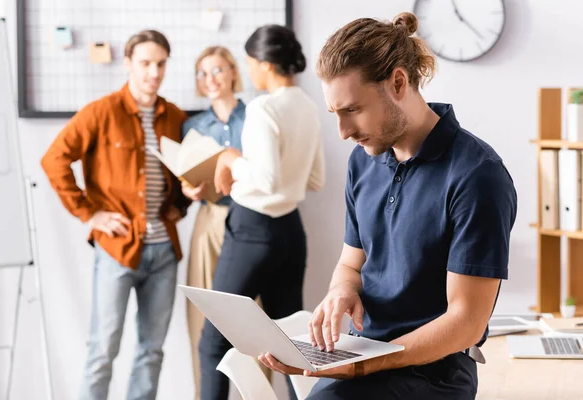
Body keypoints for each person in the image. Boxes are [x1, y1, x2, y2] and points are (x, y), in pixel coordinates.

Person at [258, 12, 518, 400]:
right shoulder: (363, 160)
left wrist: (361, 366)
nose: (343, 132)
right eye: (336, 114)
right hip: (366, 358)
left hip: (435, 376)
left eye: (352, 110)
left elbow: (465, 322)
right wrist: (341, 291)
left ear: (398, 82)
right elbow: (351, 263)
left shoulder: (477, 175)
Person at [41, 30, 190, 400]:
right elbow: (54, 159)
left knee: (151, 351)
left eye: (160, 64)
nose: (153, 72)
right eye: (145, 64)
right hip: (117, 249)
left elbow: (187, 172)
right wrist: (89, 214)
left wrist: (181, 205)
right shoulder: (101, 112)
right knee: (103, 349)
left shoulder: (174, 116)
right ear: (127, 64)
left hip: (164, 252)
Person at [198, 24, 326, 400]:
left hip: (251, 231)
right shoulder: (307, 105)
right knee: (289, 345)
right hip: (290, 232)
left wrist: (230, 158)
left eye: (249, 63)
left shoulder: (263, 107)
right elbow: (316, 179)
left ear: (264, 64)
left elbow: (266, 180)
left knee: (212, 343)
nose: (248, 71)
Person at [180, 46, 246, 400]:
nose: (210, 80)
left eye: (217, 70)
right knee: (203, 319)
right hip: (209, 220)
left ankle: (254, 391)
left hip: (249, 219)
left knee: (252, 317)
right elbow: (186, 177)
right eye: (202, 73)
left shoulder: (254, 117)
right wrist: (190, 187)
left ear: (233, 72)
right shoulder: (193, 126)